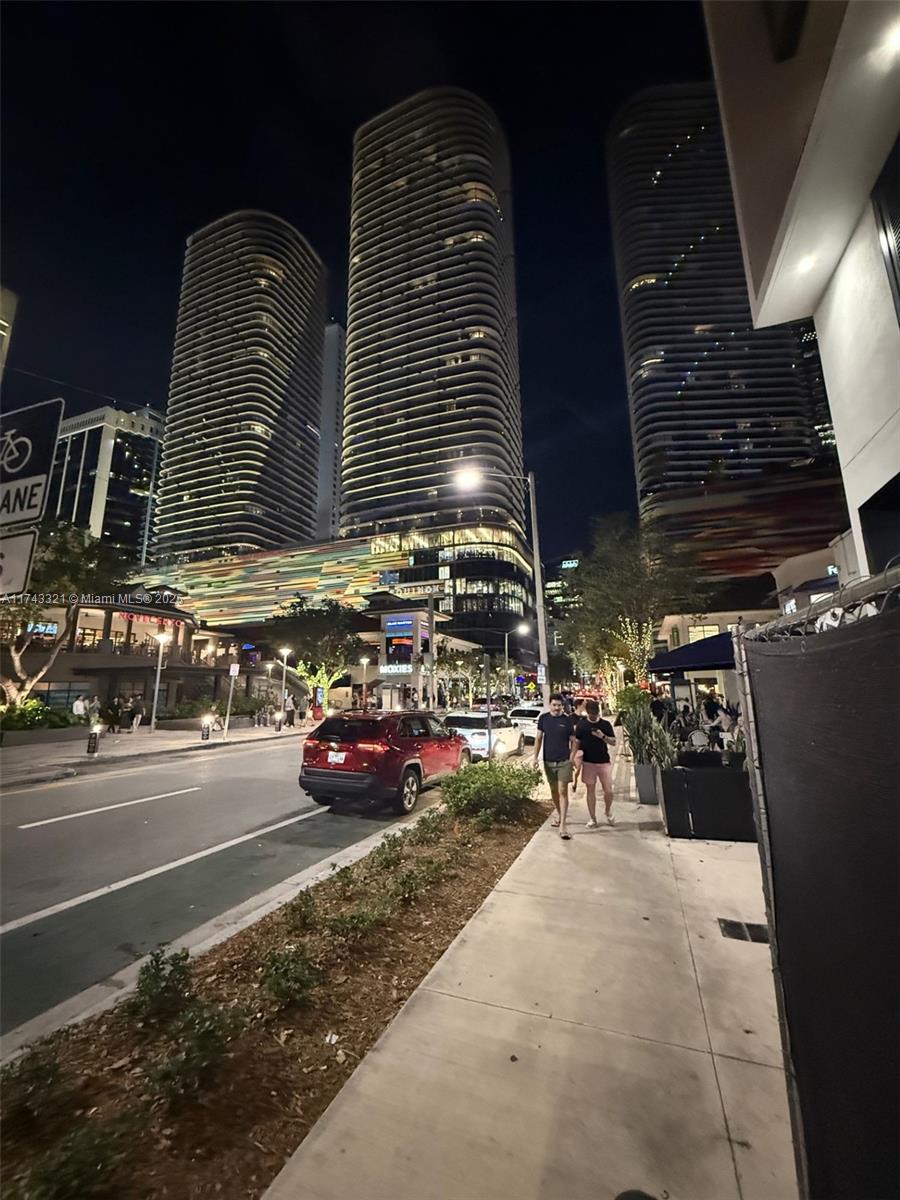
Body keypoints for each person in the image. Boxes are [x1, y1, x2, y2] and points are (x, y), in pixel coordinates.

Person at [533, 694, 576, 840]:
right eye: (554, 705)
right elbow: (538, 738)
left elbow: (573, 741)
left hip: (564, 761)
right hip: (548, 761)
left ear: (562, 706)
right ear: (550, 705)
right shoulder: (544, 719)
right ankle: (559, 814)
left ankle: (563, 825)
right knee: (554, 791)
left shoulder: (567, 720)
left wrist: (572, 758)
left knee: (563, 790)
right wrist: (534, 758)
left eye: (559, 705)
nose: (557, 708)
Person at [575, 699, 617, 827]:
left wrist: (602, 736)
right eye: (591, 714)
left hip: (603, 761)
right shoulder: (581, 725)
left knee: (608, 790)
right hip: (588, 762)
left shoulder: (605, 725)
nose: (593, 716)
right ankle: (593, 818)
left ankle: (608, 810)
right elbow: (577, 742)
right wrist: (575, 756)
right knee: (590, 790)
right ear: (587, 712)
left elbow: (614, 742)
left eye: (595, 713)